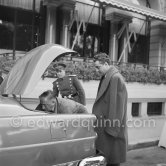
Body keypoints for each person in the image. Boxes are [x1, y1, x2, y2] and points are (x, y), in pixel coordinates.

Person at [92, 53, 128, 166]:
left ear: (106, 64)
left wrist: (112, 129)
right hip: (104, 126)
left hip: (110, 129)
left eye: (98, 67)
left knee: (112, 161)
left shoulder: (115, 78)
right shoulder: (107, 77)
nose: (96, 70)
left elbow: (117, 106)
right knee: (107, 160)